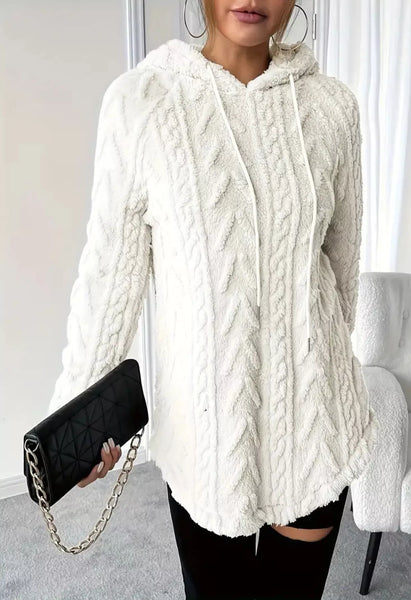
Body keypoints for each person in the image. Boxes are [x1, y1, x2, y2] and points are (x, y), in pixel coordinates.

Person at [47, 1, 379, 598]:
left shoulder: (333, 109)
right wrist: (74, 416)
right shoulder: (143, 104)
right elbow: (109, 276)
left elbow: (341, 272)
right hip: (207, 438)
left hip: (314, 425)